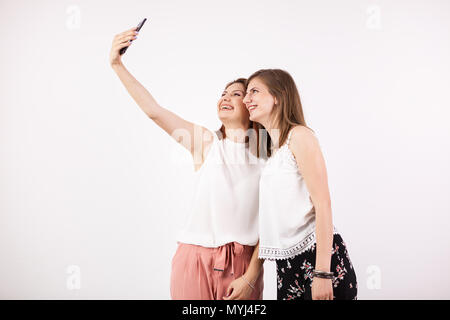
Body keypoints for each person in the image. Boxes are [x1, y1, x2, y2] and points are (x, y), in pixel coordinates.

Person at [109, 26, 265, 300]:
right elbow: (154, 111)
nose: (226, 97)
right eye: (224, 92)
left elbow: (270, 224)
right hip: (193, 258)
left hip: (243, 265)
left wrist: (251, 277)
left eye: (236, 94)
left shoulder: (268, 158)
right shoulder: (206, 143)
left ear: (251, 105)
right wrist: (117, 64)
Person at [243, 69, 357, 300]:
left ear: (278, 96)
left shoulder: (300, 136)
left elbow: (323, 204)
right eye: (246, 94)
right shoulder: (274, 153)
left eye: (254, 91)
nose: (246, 100)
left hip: (317, 261)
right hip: (286, 266)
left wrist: (323, 273)